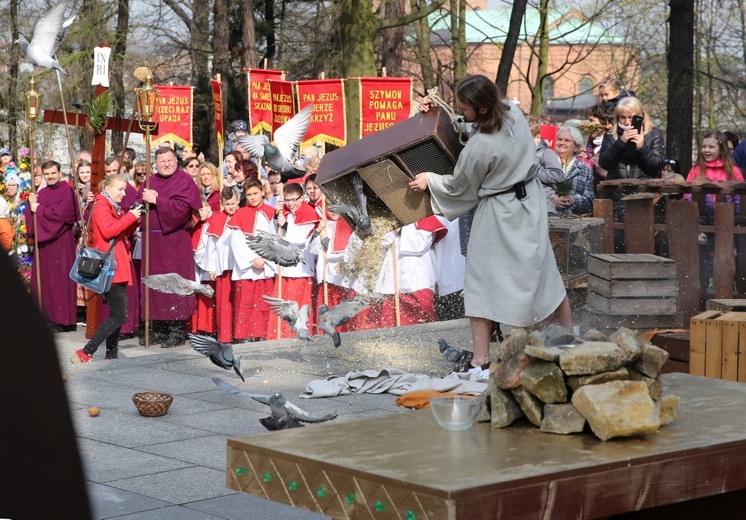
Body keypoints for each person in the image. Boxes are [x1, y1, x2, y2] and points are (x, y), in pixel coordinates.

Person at [408, 74, 572, 372]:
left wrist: (429, 179)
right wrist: (441, 112)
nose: (460, 111)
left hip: (500, 211)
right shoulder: (512, 111)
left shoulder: (480, 147)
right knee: (544, 270)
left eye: (463, 107)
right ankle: (570, 339)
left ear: (481, 109)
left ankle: (480, 359)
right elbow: (471, 126)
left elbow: (460, 186)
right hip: (531, 202)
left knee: (480, 281)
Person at [71, 175, 142, 362]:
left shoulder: (110, 205)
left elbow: (120, 232)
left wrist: (134, 219)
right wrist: (129, 216)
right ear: (108, 188)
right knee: (120, 315)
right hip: (111, 266)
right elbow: (109, 231)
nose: (124, 193)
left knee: (116, 313)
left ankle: (111, 354)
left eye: (124, 189)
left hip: (116, 264)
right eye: (120, 189)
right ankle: (87, 351)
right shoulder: (102, 205)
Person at [140, 146, 203, 347]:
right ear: (155, 164)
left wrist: (157, 200)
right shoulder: (150, 181)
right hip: (153, 242)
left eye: (170, 160)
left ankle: (176, 330)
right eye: (162, 161)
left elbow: (182, 210)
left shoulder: (184, 180)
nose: (166, 164)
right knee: (156, 285)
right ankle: (158, 328)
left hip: (174, 241)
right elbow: (138, 204)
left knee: (174, 283)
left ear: (176, 161)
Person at [26, 160, 82, 332]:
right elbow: (31, 218)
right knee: (45, 281)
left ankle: (63, 320)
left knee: (60, 281)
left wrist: (39, 209)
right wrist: (31, 205)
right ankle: (47, 318)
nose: (50, 176)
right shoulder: (40, 193)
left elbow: (63, 215)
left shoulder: (67, 191)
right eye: (47, 174)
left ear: (59, 173)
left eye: (53, 173)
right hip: (44, 245)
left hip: (61, 242)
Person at [267, 182, 320, 339]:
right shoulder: (285, 213)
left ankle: (299, 333)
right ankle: (280, 333)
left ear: (302, 198)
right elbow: (274, 235)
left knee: (298, 302)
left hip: (300, 268)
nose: (291, 203)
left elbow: (303, 239)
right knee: (283, 303)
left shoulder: (309, 213)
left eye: (294, 199)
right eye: (287, 200)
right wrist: (277, 218)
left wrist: (287, 225)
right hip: (284, 267)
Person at [228, 179, 278, 341]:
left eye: (255, 193)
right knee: (246, 302)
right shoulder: (240, 214)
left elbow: (274, 239)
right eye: (249, 195)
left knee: (264, 302)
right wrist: (252, 259)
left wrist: (264, 258)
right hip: (248, 268)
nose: (253, 197)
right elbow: (237, 242)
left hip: (265, 267)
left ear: (262, 192)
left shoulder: (270, 212)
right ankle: (245, 335)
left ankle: (263, 333)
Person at [598, 96, 665, 180]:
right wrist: (620, 142)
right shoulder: (611, 134)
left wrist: (642, 147)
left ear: (641, 115)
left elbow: (658, 166)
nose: (627, 122)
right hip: (617, 190)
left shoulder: (653, 133)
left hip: (645, 189)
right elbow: (604, 163)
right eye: (623, 117)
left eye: (631, 117)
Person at [553, 126, 596, 215]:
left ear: (576, 147)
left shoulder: (585, 170)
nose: (562, 143)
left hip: (573, 220)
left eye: (567, 140)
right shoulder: (544, 165)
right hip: (546, 218)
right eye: (559, 139)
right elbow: (533, 194)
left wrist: (574, 200)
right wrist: (550, 200)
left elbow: (590, 200)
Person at [526, 115, 564, 215]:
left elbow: (558, 175)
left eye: (527, 139)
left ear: (537, 137)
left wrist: (534, 169)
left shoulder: (546, 153)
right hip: (527, 207)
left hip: (545, 207)